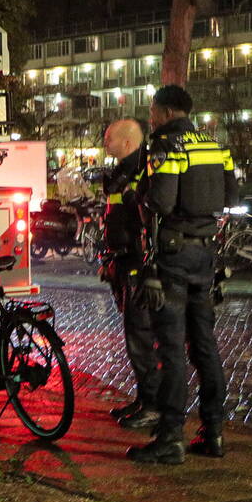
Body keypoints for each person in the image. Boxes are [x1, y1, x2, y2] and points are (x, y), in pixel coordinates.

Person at [128, 85, 238, 465]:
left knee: (171, 348)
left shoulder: (166, 146)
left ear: (164, 111)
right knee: (204, 345)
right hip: (205, 253)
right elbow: (231, 196)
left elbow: (160, 201)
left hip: (172, 255)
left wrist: (137, 195)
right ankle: (213, 432)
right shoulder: (215, 146)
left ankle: (170, 438)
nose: (151, 117)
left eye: (153, 110)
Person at [100, 119, 160, 430]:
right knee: (134, 336)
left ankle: (153, 404)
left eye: (109, 138)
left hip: (137, 262)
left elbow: (142, 220)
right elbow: (112, 218)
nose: (104, 142)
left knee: (141, 336)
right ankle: (144, 399)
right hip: (123, 261)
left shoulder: (142, 172)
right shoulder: (123, 171)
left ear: (126, 143)